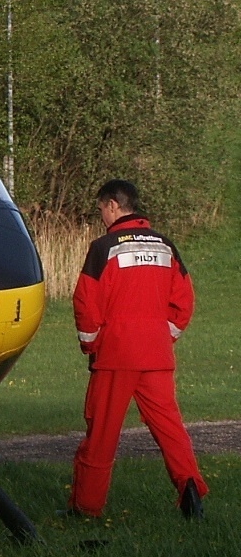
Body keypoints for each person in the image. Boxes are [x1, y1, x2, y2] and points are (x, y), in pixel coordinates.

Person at [68, 179, 207, 519]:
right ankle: (191, 490)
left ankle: (87, 508)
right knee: (170, 428)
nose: (101, 215)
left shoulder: (104, 247)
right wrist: (163, 335)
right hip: (157, 356)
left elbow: (87, 303)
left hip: (116, 356)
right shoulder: (166, 246)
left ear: (113, 205)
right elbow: (184, 303)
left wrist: (91, 344)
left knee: (101, 433)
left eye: (101, 208)